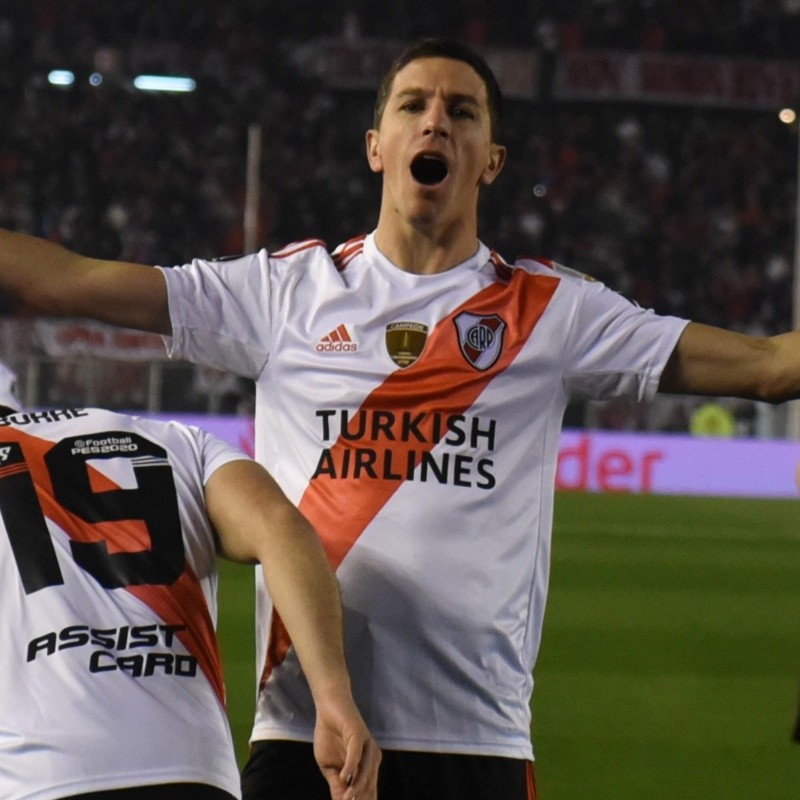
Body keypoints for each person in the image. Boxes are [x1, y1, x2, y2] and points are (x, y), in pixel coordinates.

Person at [0, 35, 798, 800]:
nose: (436, 120)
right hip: (304, 731)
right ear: (376, 144)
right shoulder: (285, 294)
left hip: (477, 744)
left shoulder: (556, 312)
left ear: (492, 159)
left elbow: (770, 369)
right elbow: (71, 281)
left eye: (464, 110)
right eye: (414, 104)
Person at [0, 367, 379, 799]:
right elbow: (281, 526)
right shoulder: (177, 439)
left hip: (38, 774)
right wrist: (331, 695)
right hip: (195, 768)